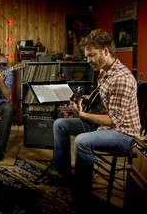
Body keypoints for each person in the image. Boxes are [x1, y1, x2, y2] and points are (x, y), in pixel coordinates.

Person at [52, 29, 141, 208]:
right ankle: (65, 175)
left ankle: (82, 195)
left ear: (105, 51)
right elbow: (103, 101)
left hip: (123, 133)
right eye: (87, 56)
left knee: (82, 141)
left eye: (92, 55)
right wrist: (85, 100)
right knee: (59, 124)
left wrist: (83, 115)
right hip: (104, 126)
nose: (88, 61)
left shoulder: (121, 79)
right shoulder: (104, 71)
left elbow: (114, 120)